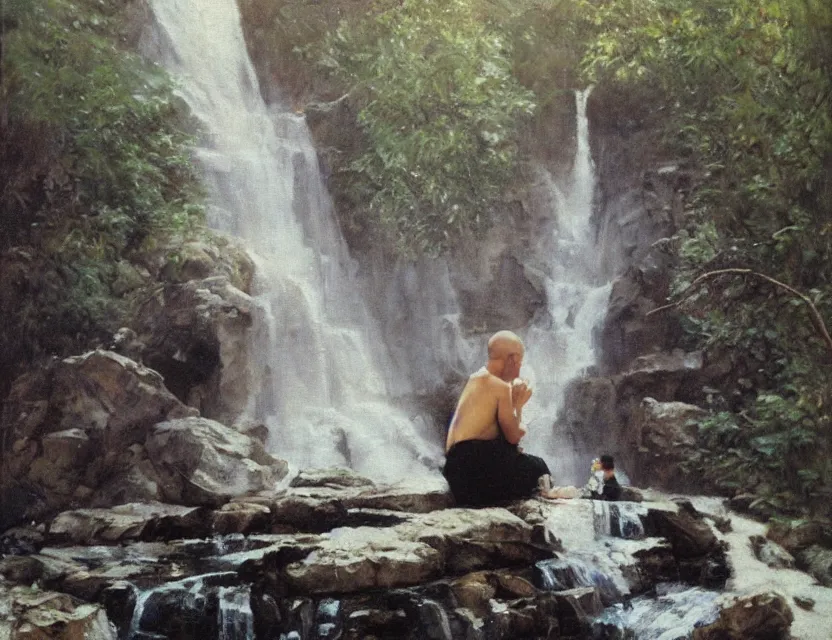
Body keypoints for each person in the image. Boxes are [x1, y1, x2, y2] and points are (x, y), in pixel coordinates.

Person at [443, 330, 557, 506]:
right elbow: (513, 437)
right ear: (512, 359)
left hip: (455, 472)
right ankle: (548, 493)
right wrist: (518, 406)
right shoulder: (500, 386)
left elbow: (495, 434)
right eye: (519, 362)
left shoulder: (476, 378)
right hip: (474, 474)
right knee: (536, 465)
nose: (519, 368)